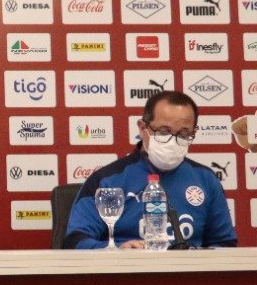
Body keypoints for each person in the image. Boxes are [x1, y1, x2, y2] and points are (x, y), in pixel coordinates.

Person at [64, 90, 236, 249]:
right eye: (163, 131)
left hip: (188, 278)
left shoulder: (205, 179)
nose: (173, 141)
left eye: (184, 134)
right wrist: (116, 250)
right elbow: (75, 240)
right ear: (142, 128)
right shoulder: (108, 180)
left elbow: (224, 243)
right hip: (125, 276)